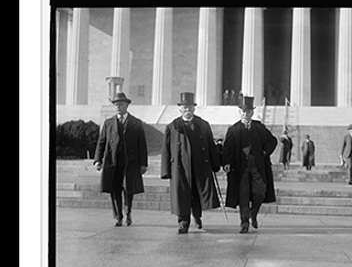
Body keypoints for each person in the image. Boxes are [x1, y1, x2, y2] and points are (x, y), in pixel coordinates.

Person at [160, 92, 221, 234]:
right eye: (184, 108)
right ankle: (183, 223)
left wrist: (215, 164)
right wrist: (166, 170)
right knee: (182, 195)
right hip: (180, 167)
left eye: (190, 108)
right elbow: (166, 150)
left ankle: (197, 216)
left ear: (194, 109)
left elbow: (211, 145)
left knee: (198, 193)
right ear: (180, 109)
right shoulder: (172, 126)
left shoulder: (203, 125)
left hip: (200, 166)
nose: (187, 111)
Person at [222, 96, 278, 233]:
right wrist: (226, 163)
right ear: (239, 112)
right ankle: (244, 222)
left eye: (248, 111)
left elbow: (273, 141)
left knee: (260, 192)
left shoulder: (259, 128)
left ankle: (253, 213)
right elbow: (226, 149)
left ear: (252, 112)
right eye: (242, 111)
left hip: (258, 166)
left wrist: (264, 152)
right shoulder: (233, 130)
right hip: (240, 168)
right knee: (243, 195)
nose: (245, 114)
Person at [93, 92, 148, 227]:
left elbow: (142, 144)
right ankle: (118, 216)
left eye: (120, 104)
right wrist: (97, 160)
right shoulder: (108, 123)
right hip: (113, 162)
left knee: (129, 189)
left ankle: (128, 212)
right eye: (116, 104)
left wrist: (143, 163)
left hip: (130, 162)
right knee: (114, 189)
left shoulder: (136, 123)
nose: (118, 107)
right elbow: (102, 142)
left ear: (127, 105)